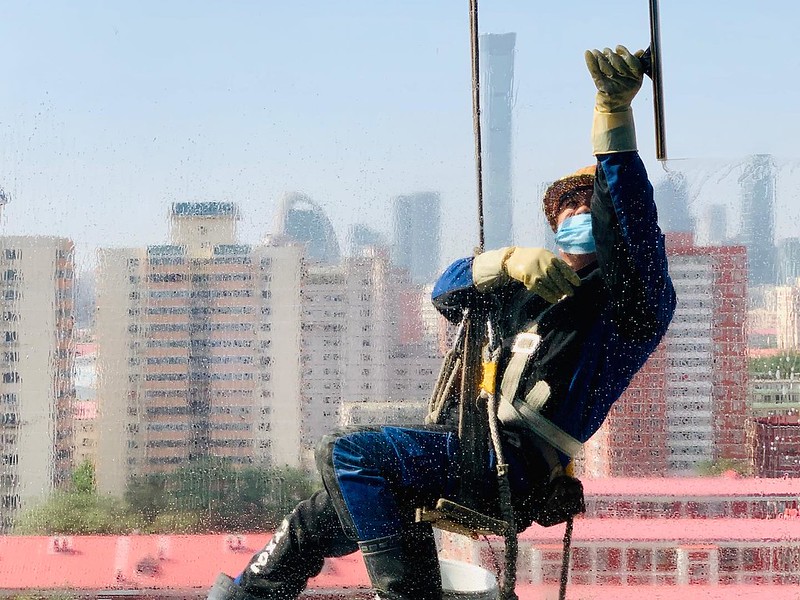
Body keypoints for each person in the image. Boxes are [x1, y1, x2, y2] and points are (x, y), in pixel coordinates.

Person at [207, 44, 676, 600]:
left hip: (515, 463)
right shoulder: (525, 291)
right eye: (564, 210)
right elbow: (447, 291)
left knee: (349, 454)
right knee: (325, 512)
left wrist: (613, 118)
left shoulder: (628, 307)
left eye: (586, 207)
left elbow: (632, 217)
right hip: (469, 448)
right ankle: (248, 594)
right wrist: (501, 262)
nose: (576, 216)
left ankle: (409, 595)